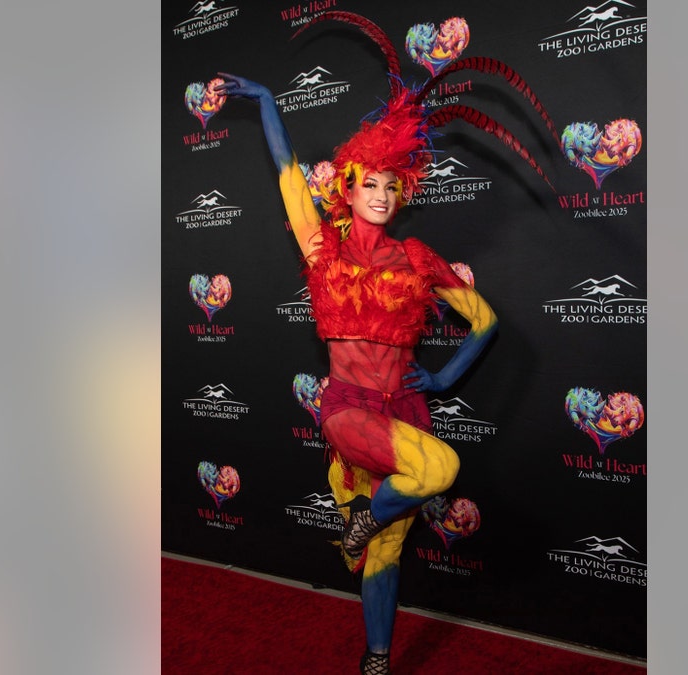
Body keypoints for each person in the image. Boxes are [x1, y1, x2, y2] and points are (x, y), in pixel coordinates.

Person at [216, 12, 556, 674]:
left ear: (403, 192)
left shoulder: (419, 256)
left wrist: (447, 374)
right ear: (348, 185)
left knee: (386, 552)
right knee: (438, 471)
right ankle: (368, 517)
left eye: (389, 185)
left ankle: (376, 656)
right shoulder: (325, 246)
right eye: (367, 182)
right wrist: (267, 104)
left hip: (405, 408)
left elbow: (483, 320)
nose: (378, 193)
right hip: (349, 410)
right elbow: (289, 175)